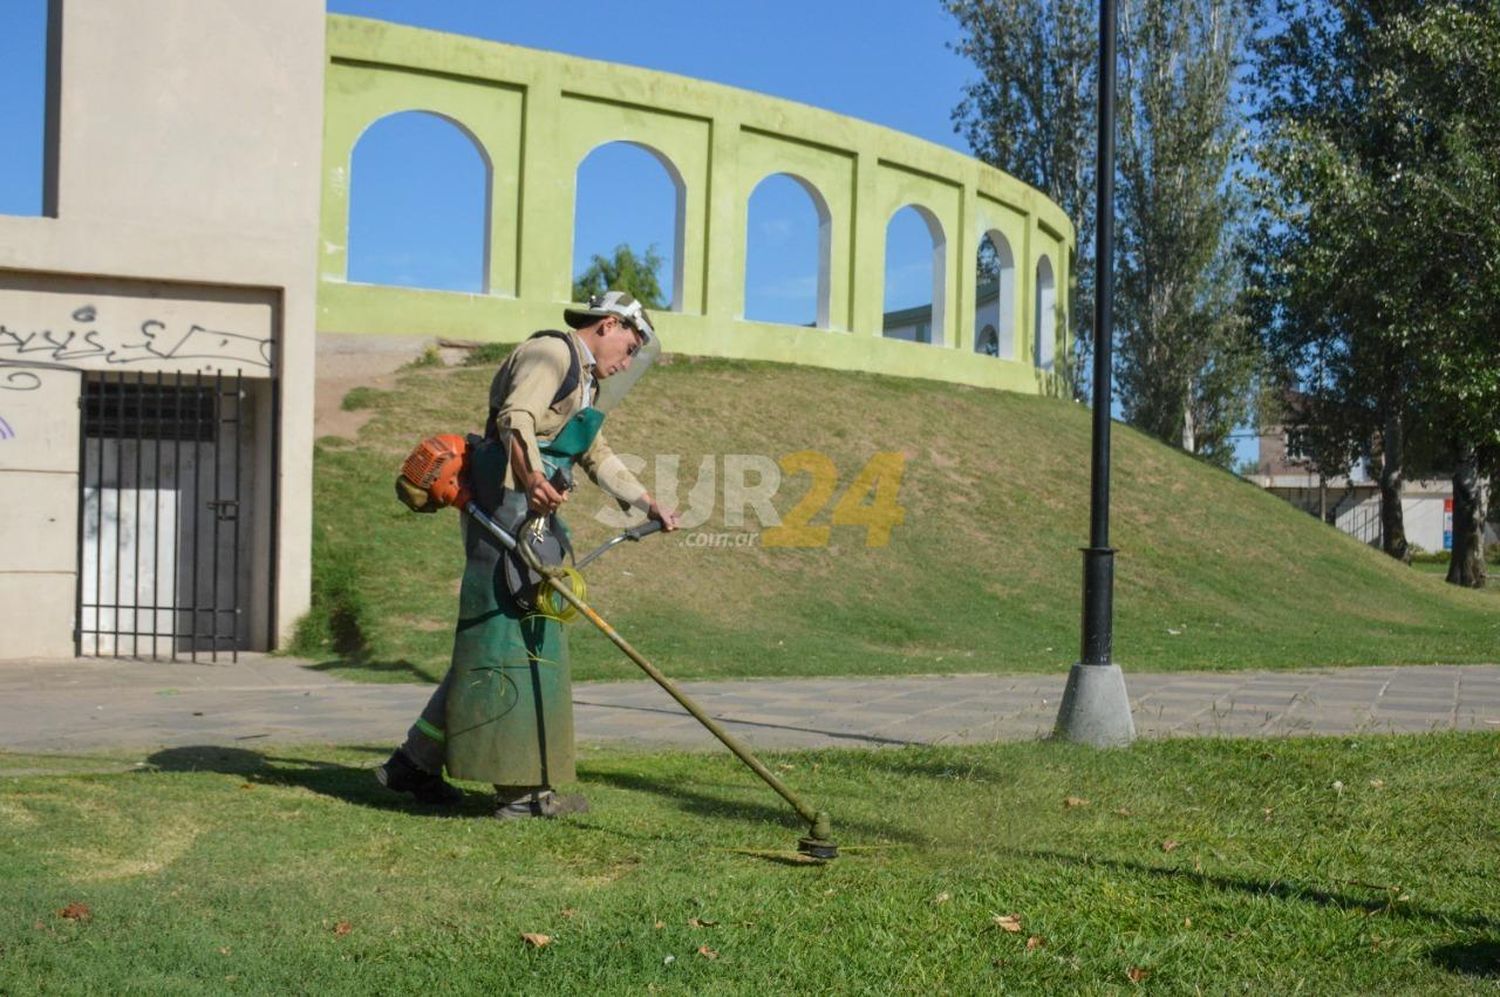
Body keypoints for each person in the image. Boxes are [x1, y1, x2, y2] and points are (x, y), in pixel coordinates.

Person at [377, 291, 680, 818]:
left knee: (502, 640)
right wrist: (534, 477)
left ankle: (414, 764)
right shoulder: (553, 354)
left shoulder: (586, 379)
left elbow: (594, 452)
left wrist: (644, 501)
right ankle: (519, 794)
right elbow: (516, 417)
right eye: (628, 348)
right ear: (608, 325)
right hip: (506, 505)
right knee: (513, 640)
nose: (626, 362)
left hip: (528, 511)